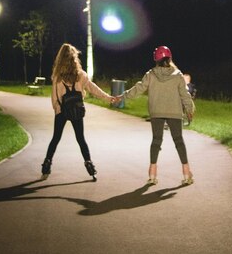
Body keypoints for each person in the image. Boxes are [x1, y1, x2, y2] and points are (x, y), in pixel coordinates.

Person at [118, 45, 195, 186]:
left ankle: (152, 174)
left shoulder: (151, 74)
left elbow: (139, 88)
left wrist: (123, 96)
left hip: (156, 112)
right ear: (170, 58)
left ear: (156, 59)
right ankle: (186, 173)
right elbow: (185, 94)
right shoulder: (178, 75)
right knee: (179, 141)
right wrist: (190, 109)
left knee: (156, 140)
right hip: (174, 112)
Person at [41, 43, 116, 180]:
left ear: (61, 58)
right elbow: (92, 88)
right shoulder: (81, 75)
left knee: (55, 138)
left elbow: (54, 97)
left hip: (62, 111)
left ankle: (46, 165)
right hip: (77, 111)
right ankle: (89, 165)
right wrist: (107, 97)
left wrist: (58, 111)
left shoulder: (57, 76)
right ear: (74, 58)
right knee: (80, 139)